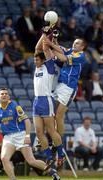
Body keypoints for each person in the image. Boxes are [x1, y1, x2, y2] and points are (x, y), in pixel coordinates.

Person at [0, 88, 60, 180]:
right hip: (8, 138)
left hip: (20, 135)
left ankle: (51, 171)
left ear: (9, 96)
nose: (4, 95)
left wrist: (27, 135)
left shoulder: (15, 106)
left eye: (6, 94)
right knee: (4, 159)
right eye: (2, 94)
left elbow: (27, 122)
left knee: (31, 161)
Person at [33, 38, 65, 169]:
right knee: (39, 132)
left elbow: (43, 49)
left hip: (46, 100)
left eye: (37, 60)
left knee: (51, 131)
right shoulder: (37, 68)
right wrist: (44, 34)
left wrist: (47, 37)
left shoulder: (49, 67)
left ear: (43, 60)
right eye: (34, 60)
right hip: (36, 101)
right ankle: (49, 157)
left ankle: (60, 154)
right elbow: (37, 48)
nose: (35, 61)